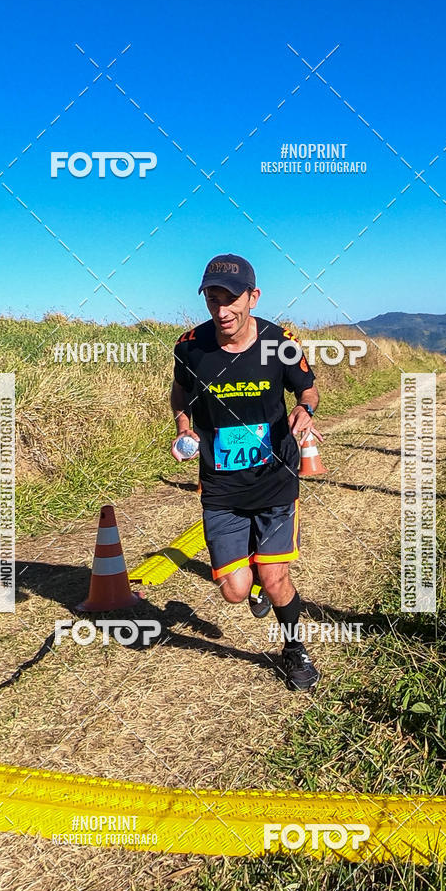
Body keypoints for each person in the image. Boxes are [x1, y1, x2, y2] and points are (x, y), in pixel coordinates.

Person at [170, 253, 321, 691]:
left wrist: (304, 410)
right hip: (221, 486)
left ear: (253, 297)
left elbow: (308, 388)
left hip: (275, 479)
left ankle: (294, 650)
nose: (222, 311)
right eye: (213, 300)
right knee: (235, 590)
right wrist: (184, 426)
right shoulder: (190, 346)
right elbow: (179, 398)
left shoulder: (281, 342)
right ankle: (251, 580)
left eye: (231, 299)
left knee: (276, 579)